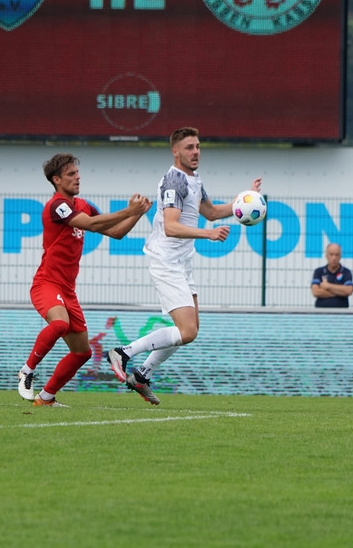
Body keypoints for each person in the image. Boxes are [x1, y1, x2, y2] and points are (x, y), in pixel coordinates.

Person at [107, 126, 261, 405]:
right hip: (165, 260)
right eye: (189, 147)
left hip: (181, 262)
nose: (196, 152)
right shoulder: (174, 181)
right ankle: (123, 352)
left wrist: (243, 201)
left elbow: (211, 212)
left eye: (198, 146)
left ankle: (141, 375)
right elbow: (170, 227)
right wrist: (208, 234)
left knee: (189, 331)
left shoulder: (194, 179)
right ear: (175, 151)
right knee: (187, 331)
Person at [17, 153, 151, 407]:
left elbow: (115, 233)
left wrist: (137, 214)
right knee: (59, 324)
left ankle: (46, 398)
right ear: (56, 180)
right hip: (46, 284)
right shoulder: (57, 205)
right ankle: (26, 370)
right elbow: (88, 224)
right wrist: (127, 210)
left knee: (82, 352)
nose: (77, 177)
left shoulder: (84, 205)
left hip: (67, 290)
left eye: (77, 173)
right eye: (71, 174)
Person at [310, 242, 353, 307]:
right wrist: (340, 292)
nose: (334, 258)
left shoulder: (346, 272)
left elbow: (348, 290)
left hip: (341, 313)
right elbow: (315, 292)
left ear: (340, 256)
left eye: (337, 255)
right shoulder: (319, 271)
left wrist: (328, 286)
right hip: (321, 313)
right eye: (331, 254)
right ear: (326, 255)